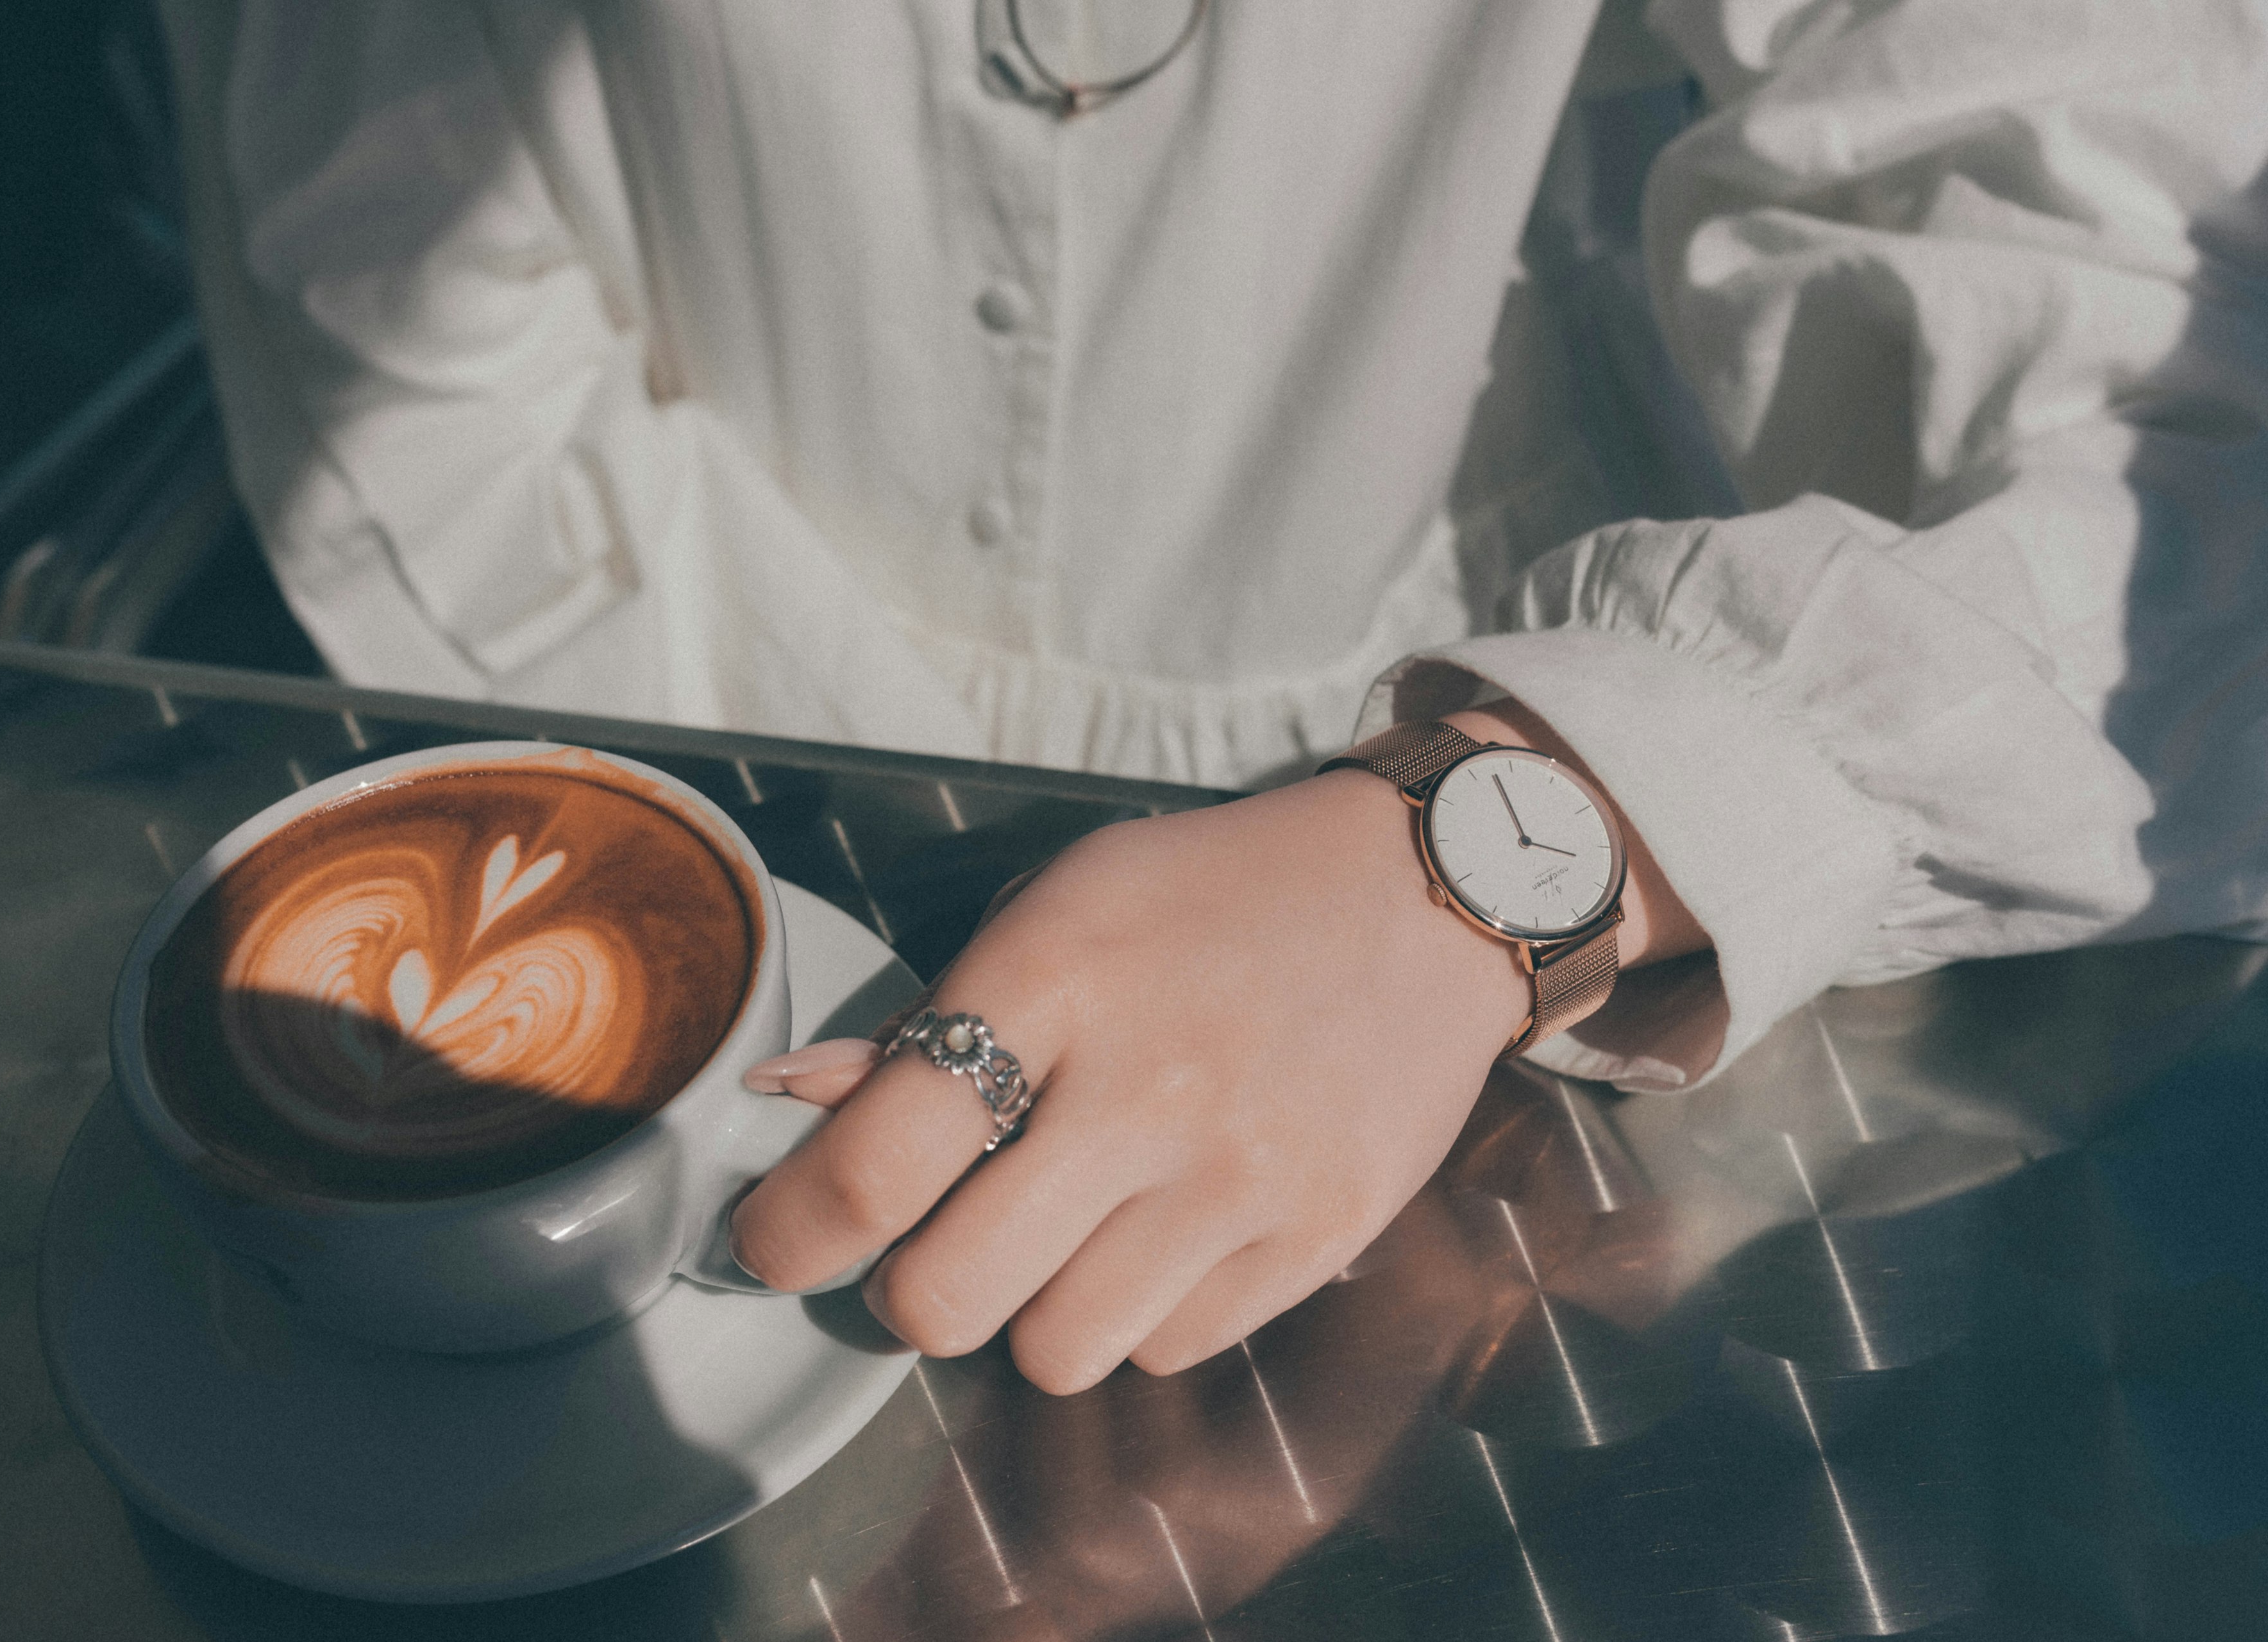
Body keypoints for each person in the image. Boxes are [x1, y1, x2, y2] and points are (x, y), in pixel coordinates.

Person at [162, 0, 2268, 1392]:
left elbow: (2194, 421)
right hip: (658, 765)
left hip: (1486, 942)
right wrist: (825, 812)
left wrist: (1520, 844)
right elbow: (403, 307)